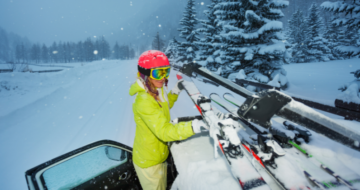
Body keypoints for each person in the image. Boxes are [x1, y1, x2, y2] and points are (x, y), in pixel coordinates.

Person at [129, 50, 207, 190]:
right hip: (149, 162)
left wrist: (176, 91)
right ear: (145, 74)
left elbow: (164, 106)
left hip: (159, 154)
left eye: (166, 71)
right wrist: (195, 126)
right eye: (158, 73)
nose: (163, 77)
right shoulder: (144, 100)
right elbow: (164, 132)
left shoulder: (155, 89)